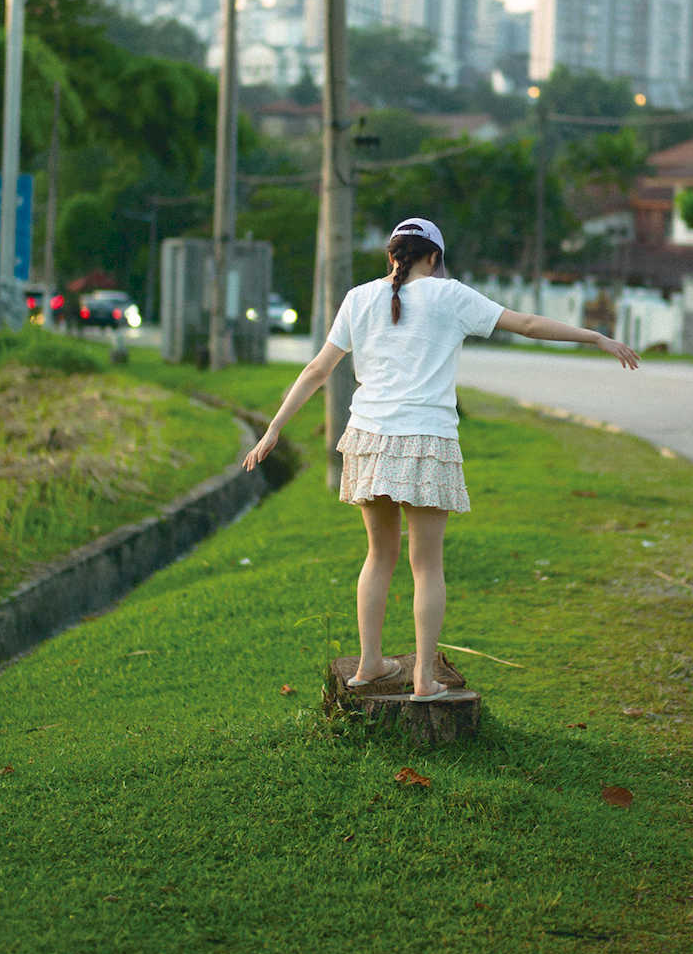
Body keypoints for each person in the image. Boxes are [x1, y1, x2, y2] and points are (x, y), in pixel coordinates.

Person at [242, 217, 641, 702]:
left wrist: (274, 429)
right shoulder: (450, 295)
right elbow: (530, 324)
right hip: (426, 439)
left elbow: (317, 369)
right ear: (434, 257)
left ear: (393, 255)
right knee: (426, 565)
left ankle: (370, 664)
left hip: (369, 438)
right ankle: (423, 679)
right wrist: (596, 338)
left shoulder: (358, 298)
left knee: (379, 554)